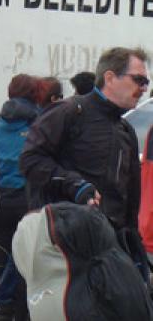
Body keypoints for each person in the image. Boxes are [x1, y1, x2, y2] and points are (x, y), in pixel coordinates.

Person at [20, 47, 148, 231]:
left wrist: (132, 242)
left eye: (146, 82)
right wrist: (75, 185)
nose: (144, 88)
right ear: (110, 78)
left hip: (108, 243)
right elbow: (30, 160)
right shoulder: (69, 111)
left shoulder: (126, 130)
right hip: (64, 238)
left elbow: (130, 197)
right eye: (139, 80)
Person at [0, 74, 39, 321]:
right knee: (28, 260)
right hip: (28, 196)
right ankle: (19, 315)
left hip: (4, 194)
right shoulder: (39, 121)